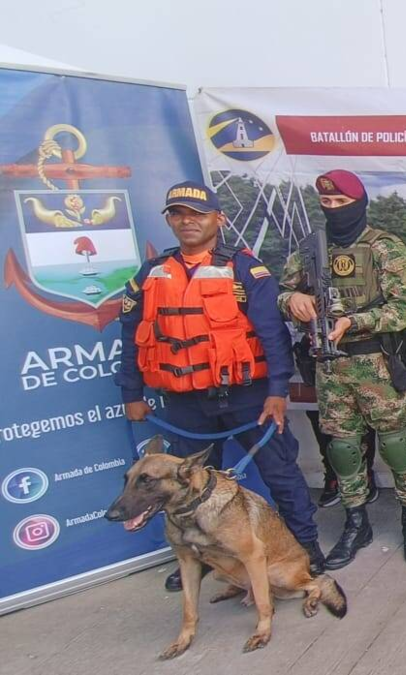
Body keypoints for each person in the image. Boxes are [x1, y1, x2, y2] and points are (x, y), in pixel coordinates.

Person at [116, 181, 323, 591]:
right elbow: (131, 336)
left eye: (197, 214)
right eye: (178, 214)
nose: (187, 221)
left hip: (248, 396)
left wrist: (277, 391)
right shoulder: (152, 273)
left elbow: (272, 336)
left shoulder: (246, 270)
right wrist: (131, 393)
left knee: (280, 472)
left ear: (219, 219)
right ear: (170, 221)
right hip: (184, 401)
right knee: (185, 489)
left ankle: (307, 545)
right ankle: (199, 557)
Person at [278, 170, 406, 569]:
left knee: (395, 443)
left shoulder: (384, 247)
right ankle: (356, 521)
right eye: (326, 203)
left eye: (341, 203)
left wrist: (354, 321)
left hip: (374, 362)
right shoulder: (311, 249)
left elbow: (403, 310)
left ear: (359, 204)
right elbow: (282, 291)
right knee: (343, 448)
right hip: (329, 366)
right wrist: (292, 300)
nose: (333, 209)